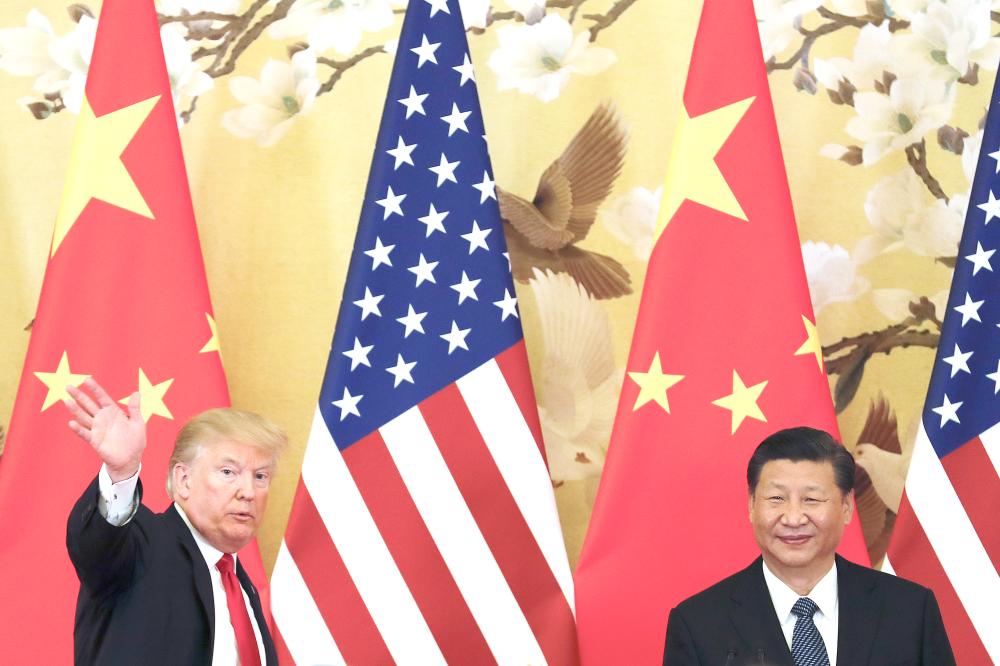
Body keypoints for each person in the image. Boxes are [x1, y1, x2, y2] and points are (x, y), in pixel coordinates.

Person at [662, 426, 954, 666]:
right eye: (776, 498)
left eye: (812, 499)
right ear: (752, 505)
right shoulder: (697, 624)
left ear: (847, 507)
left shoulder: (911, 611)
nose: (793, 518)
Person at [64, 377, 283, 665]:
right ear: (184, 480)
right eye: (228, 472)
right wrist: (122, 473)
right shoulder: (142, 543)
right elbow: (96, 546)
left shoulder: (240, 584)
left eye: (260, 477)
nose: (248, 492)